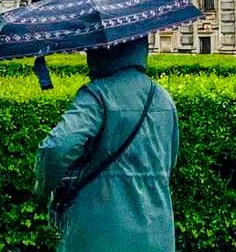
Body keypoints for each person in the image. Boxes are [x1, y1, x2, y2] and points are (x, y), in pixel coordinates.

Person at [34, 38, 180, 252]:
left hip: (98, 228)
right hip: (157, 231)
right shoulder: (163, 98)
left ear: (102, 50)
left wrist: (44, 186)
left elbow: (57, 148)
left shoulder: (97, 95)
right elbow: (170, 161)